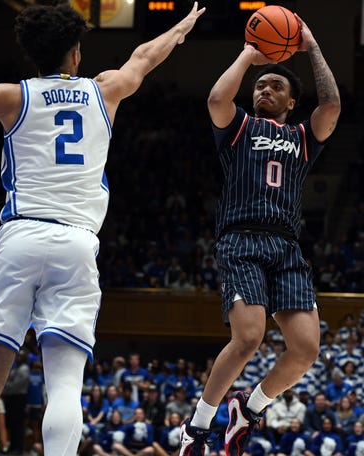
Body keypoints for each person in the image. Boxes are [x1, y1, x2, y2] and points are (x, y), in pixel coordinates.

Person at [0, 3, 206, 455]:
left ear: (33, 54)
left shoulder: (12, 95)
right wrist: (181, 29)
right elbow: (144, 56)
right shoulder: (104, 90)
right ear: (76, 53)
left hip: (21, 236)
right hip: (78, 244)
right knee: (65, 385)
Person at [179, 13, 341, 456]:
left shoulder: (303, 137)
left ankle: (246, 411)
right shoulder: (239, 128)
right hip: (242, 239)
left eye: (275, 87)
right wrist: (249, 55)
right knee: (248, 337)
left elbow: (331, 106)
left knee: (306, 349)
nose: (264, 90)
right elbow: (216, 97)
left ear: (291, 103)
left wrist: (311, 47)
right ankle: (196, 428)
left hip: (286, 246)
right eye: (260, 86)